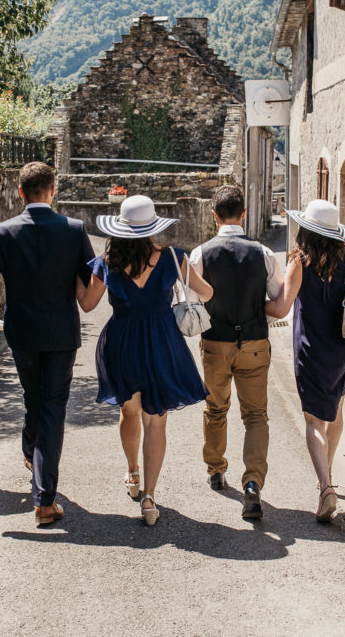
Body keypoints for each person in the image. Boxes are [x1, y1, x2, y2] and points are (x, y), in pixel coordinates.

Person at [0, 162, 94, 526]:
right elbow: (90, 286)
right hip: (62, 334)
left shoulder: (2, 233)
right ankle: (44, 498)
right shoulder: (74, 230)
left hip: (22, 334)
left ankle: (32, 457)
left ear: (20, 192)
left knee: (34, 397)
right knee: (51, 407)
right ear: (53, 191)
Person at [77, 195, 214, 526]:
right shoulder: (173, 258)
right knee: (157, 419)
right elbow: (206, 293)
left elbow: (87, 305)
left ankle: (132, 472)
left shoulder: (106, 262)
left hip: (122, 340)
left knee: (129, 410)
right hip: (161, 340)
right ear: (153, 227)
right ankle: (150, 498)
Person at [265, 199, 345, 522]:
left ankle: (326, 488)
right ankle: (326, 474)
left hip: (312, 350)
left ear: (306, 229)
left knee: (314, 421)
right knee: (336, 412)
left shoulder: (300, 261)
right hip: (344, 350)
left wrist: (257, 307)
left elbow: (282, 308)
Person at [188, 185, 283, 520]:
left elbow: (195, 301)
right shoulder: (263, 254)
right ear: (244, 213)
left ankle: (216, 469)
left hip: (216, 343)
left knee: (215, 409)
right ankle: (253, 483)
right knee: (255, 416)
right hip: (254, 344)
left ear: (215, 215)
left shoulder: (201, 254)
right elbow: (277, 300)